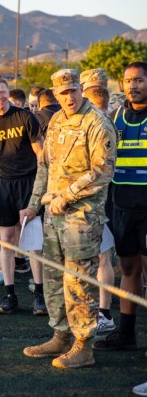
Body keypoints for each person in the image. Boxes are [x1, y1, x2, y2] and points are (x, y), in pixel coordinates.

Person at [21, 69, 116, 369]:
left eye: (74, 91)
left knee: (77, 281)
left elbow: (102, 170)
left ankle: (83, 346)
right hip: (53, 216)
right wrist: (33, 205)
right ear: (56, 94)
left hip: (81, 218)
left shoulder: (97, 122)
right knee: (52, 278)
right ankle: (60, 335)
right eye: (63, 93)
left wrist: (67, 196)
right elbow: (45, 167)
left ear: (81, 90)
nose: (69, 97)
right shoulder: (57, 121)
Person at [0, 76, 46, 315]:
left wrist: (41, 189)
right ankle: (10, 294)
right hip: (3, 187)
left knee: (34, 244)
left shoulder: (25, 116)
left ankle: (40, 294)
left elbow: (41, 154)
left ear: (8, 93)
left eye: (3, 92)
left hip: (29, 184)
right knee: (6, 243)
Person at [94, 61, 147, 353]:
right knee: (128, 268)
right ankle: (127, 334)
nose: (133, 86)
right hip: (122, 207)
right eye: (128, 81)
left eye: (139, 80)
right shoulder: (115, 118)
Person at [81, 68, 117, 333]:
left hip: (100, 198)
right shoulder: (116, 119)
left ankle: (104, 313)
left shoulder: (99, 125)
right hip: (116, 196)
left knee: (101, 258)